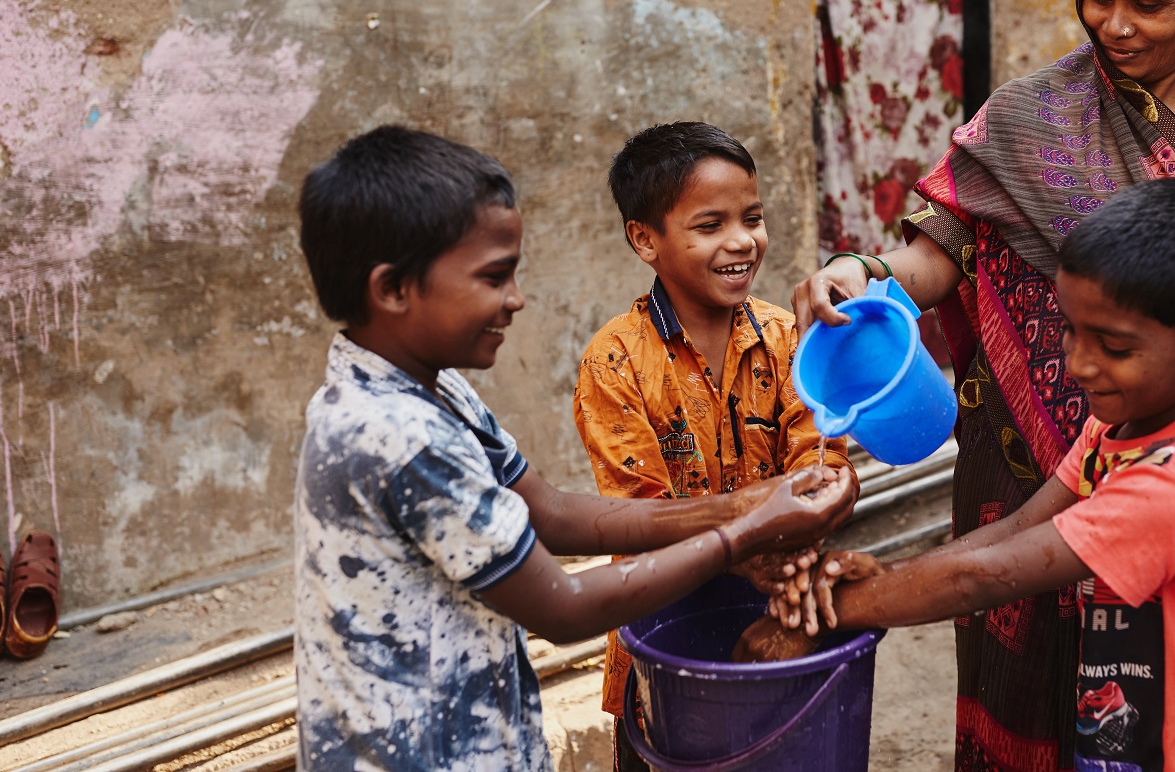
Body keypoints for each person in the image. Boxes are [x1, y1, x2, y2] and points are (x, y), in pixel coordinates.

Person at [792, 0, 1175, 770]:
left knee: (1174, 700)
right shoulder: (1031, 117)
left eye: (1148, 2)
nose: (1115, 25)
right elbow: (940, 254)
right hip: (1029, 461)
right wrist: (866, 273)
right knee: (1022, 680)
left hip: (1166, 451)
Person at [292, 126, 856, 772]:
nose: (516, 299)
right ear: (392, 290)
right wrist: (747, 530)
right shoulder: (397, 434)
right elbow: (562, 607)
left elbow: (553, 513)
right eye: (493, 277)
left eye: (751, 218)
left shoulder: (438, 393)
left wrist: (738, 511)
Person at [755, 179, 1175, 772]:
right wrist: (881, 573)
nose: (1078, 362)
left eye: (1114, 346)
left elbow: (985, 578)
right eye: (1072, 329)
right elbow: (1018, 527)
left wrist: (827, 607)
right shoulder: (1121, 430)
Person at [573, 121, 854, 770]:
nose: (740, 242)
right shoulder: (617, 360)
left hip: (784, 609)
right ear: (645, 239)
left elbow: (825, 462)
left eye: (751, 218)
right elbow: (636, 516)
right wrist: (748, 542)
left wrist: (836, 495)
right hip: (666, 624)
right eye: (709, 225)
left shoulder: (792, 340)